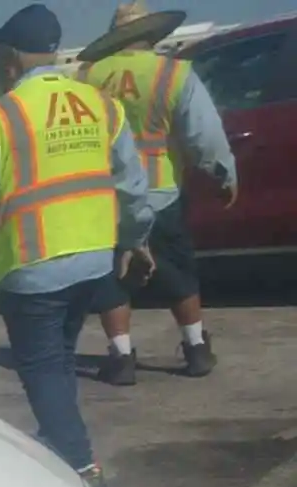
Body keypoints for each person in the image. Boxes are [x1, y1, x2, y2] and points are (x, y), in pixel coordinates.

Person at [0, 4, 153, 487]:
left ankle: (80, 463)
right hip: (94, 258)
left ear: (11, 58)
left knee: (42, 368)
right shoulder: (99, 104)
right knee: (58, 359)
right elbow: (133, 186)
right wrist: (135, 239)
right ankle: (60, 439)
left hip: (32, 263)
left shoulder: (0, 115)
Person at [82, 2, 237, 383]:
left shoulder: (87, 77)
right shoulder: (173, 74)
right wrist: (224, 173)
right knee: (178, 272)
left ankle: (120, 357)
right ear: (152, 35)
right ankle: (196, 347)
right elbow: (204, 135)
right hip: (160, 191)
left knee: (112, 279)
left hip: (107, 196)